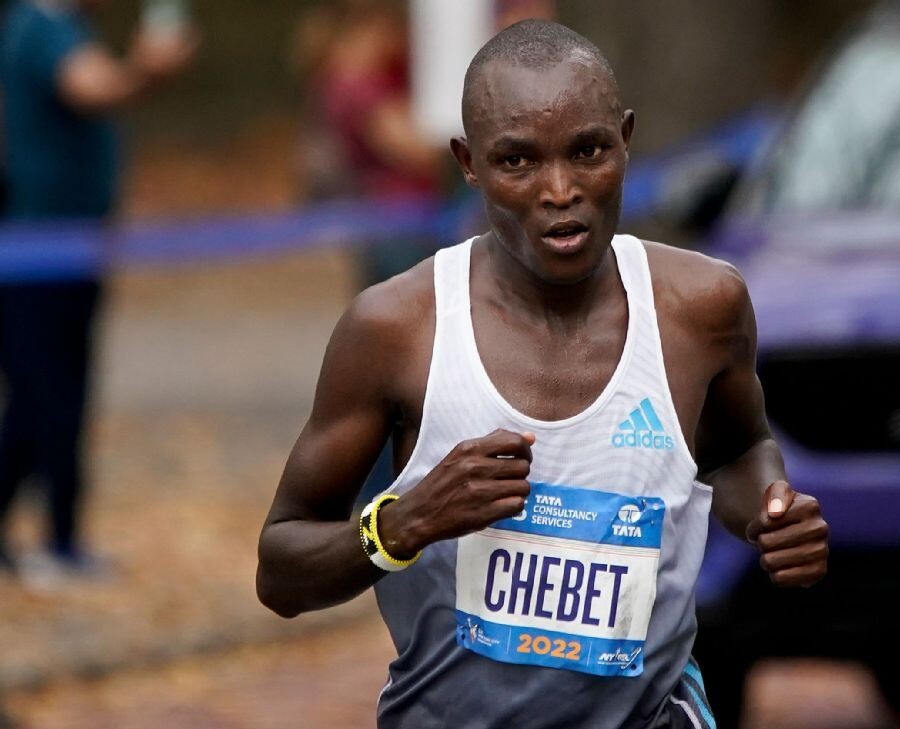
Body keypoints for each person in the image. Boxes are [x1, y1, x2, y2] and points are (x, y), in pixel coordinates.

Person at [256, 19, 829, 729]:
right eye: (517, 161)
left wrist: (770, 514)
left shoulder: (700, 306)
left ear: (625, 139)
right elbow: (281, 571)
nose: (560, 190)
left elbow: (735, 448)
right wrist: (403, 524)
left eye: (588, 151)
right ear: (469, 163)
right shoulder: (397, 328)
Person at [0, 0, 195, 581]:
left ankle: (60, 540)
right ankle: (58, 543)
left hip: (66, 250)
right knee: (48, 399)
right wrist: (146, 69)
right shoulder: (41, 28)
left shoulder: (58, 26)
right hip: (41, 255)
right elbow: (93, 88)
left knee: (48, 398)